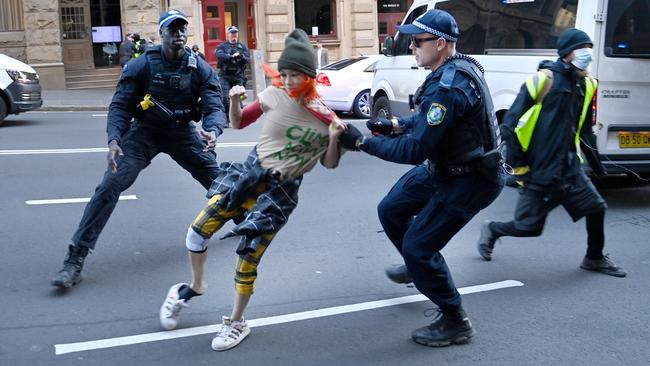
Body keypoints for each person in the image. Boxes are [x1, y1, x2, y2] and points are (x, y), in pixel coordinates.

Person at [158, 29, 346, 351]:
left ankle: (237, 322)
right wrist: (233, 100)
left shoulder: (322, 115)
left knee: (246, 260)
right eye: (284, 74)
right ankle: (197, 285)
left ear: (309, 77)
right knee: (196, 232)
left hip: (278, 195)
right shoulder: (273, 95)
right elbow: (239, 122)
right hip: (247, 179)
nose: (287, 81)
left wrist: (334, 137)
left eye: (295, 75)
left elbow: (329, 163)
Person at [339, 9, 504, 347]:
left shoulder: (449, 86)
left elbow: (414, 150)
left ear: (441, 43)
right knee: (391, 209)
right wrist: (396, 125)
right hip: (447, 165)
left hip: (469, 180)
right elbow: (431, 122)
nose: (411, 46)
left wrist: (362, 143)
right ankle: (419, 267)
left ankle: (456, 320)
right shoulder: (450, 70)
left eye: (417, 41)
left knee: (418, 246)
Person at [51, 9, 228, 289]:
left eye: (183, 29)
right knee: (109, 187)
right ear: (162, 33)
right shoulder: (142, 64)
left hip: (182, 133)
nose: (179, 34)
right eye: (172, 29)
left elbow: (215, 105)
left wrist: (213, 130)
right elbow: (120, 106)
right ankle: (75, 259)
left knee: (219, 181)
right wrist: (114, 141)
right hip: (144, 133)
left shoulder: (199, 67)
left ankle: (248, 220)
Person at [476, 28, 626, 278]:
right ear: (567, 54)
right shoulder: (543, 80)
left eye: (590, 49)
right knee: (529, 227)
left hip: (569, 167)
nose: (588, 55)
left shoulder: (587, 84)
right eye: (582, 50)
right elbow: (509, 125)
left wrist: (599, 167)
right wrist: (520, 166)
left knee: (596, 208)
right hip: (539, 169)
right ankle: (493, 229)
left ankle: (594, 258)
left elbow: (586, 132)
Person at [216, 26, 250, 116]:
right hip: (224, 76)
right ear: (228, 34)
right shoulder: (222, 46)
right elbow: (219, 55)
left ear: (237, 35)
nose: (233, 35)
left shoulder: (242, 47)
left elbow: (247, 59)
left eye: (235, 33)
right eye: (232, 33)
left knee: (240, 97)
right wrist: (231, 57)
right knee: (225, 98)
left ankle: (238, 115)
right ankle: (227, 117)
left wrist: (240, 56)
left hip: (238, 76)